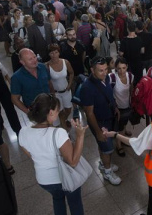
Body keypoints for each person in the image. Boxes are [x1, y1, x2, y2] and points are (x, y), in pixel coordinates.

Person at [19, 93, 90, 215]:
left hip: (44, 180)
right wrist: (80, 136)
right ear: (50, 112)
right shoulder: (58, 133)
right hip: (65, 178)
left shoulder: (23, 132)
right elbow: (73, 161)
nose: (59, 114)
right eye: (57, 111)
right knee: (75, 203)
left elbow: (30, 154)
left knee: (57, 201)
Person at [80, 56, 121, 185]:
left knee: (104, 146)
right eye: (100, 70)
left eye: (106, 69)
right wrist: (98, 131)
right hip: (100, 123)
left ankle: (104, 164)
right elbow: (89, 112)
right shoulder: (87, 87)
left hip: (109, 117)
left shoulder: (106, 78)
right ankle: (108, 172)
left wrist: (115, 107)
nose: (105, 73)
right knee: (107, 147)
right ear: (92, 70)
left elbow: (109, 94)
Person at [11, 49, 54, 126]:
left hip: (49, 107)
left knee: (52, 127)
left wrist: (54, 99)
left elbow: (49, 83)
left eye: (34, 57)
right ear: (22, 62)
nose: (34, 60)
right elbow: (15, 99)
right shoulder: (16, 77)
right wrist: (28, 112)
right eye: (30, 59)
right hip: (35, 111)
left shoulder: (43, 67)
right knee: (42, 132)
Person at [109, 57, 134, 157]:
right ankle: (119, 145)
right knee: (118, 126)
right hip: (117, 108)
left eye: (124, 68)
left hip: (127, 105)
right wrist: (114, 107)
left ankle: (122, 135)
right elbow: (109, 94)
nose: (122, 71)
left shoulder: (131, 76)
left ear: (127, 67)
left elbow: (131, 89)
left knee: (123, 124)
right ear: (115, 68)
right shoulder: (112, 78)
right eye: (119, 68)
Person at [46, 44, 74, 129]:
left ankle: (63, 121)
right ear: (49, 54)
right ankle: (65, 131)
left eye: (56, 52)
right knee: (61, 112)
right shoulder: (47, 66)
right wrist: (51, 92)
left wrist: (69, 85)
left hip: (66, 91)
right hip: (56, 93)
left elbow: (72, 73)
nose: (54, 55)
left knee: (68, 109)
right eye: (52, 53)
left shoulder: (65, 62)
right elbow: (47, 80)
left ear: (59, 53)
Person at [119, 20, 144, 86]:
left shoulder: (124, 40)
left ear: (127, 29)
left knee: (129, 81)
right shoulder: (139, 39)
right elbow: (142, 51)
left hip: (128, 64)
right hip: (138, 63)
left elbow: (121, 54)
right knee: (138, 82)